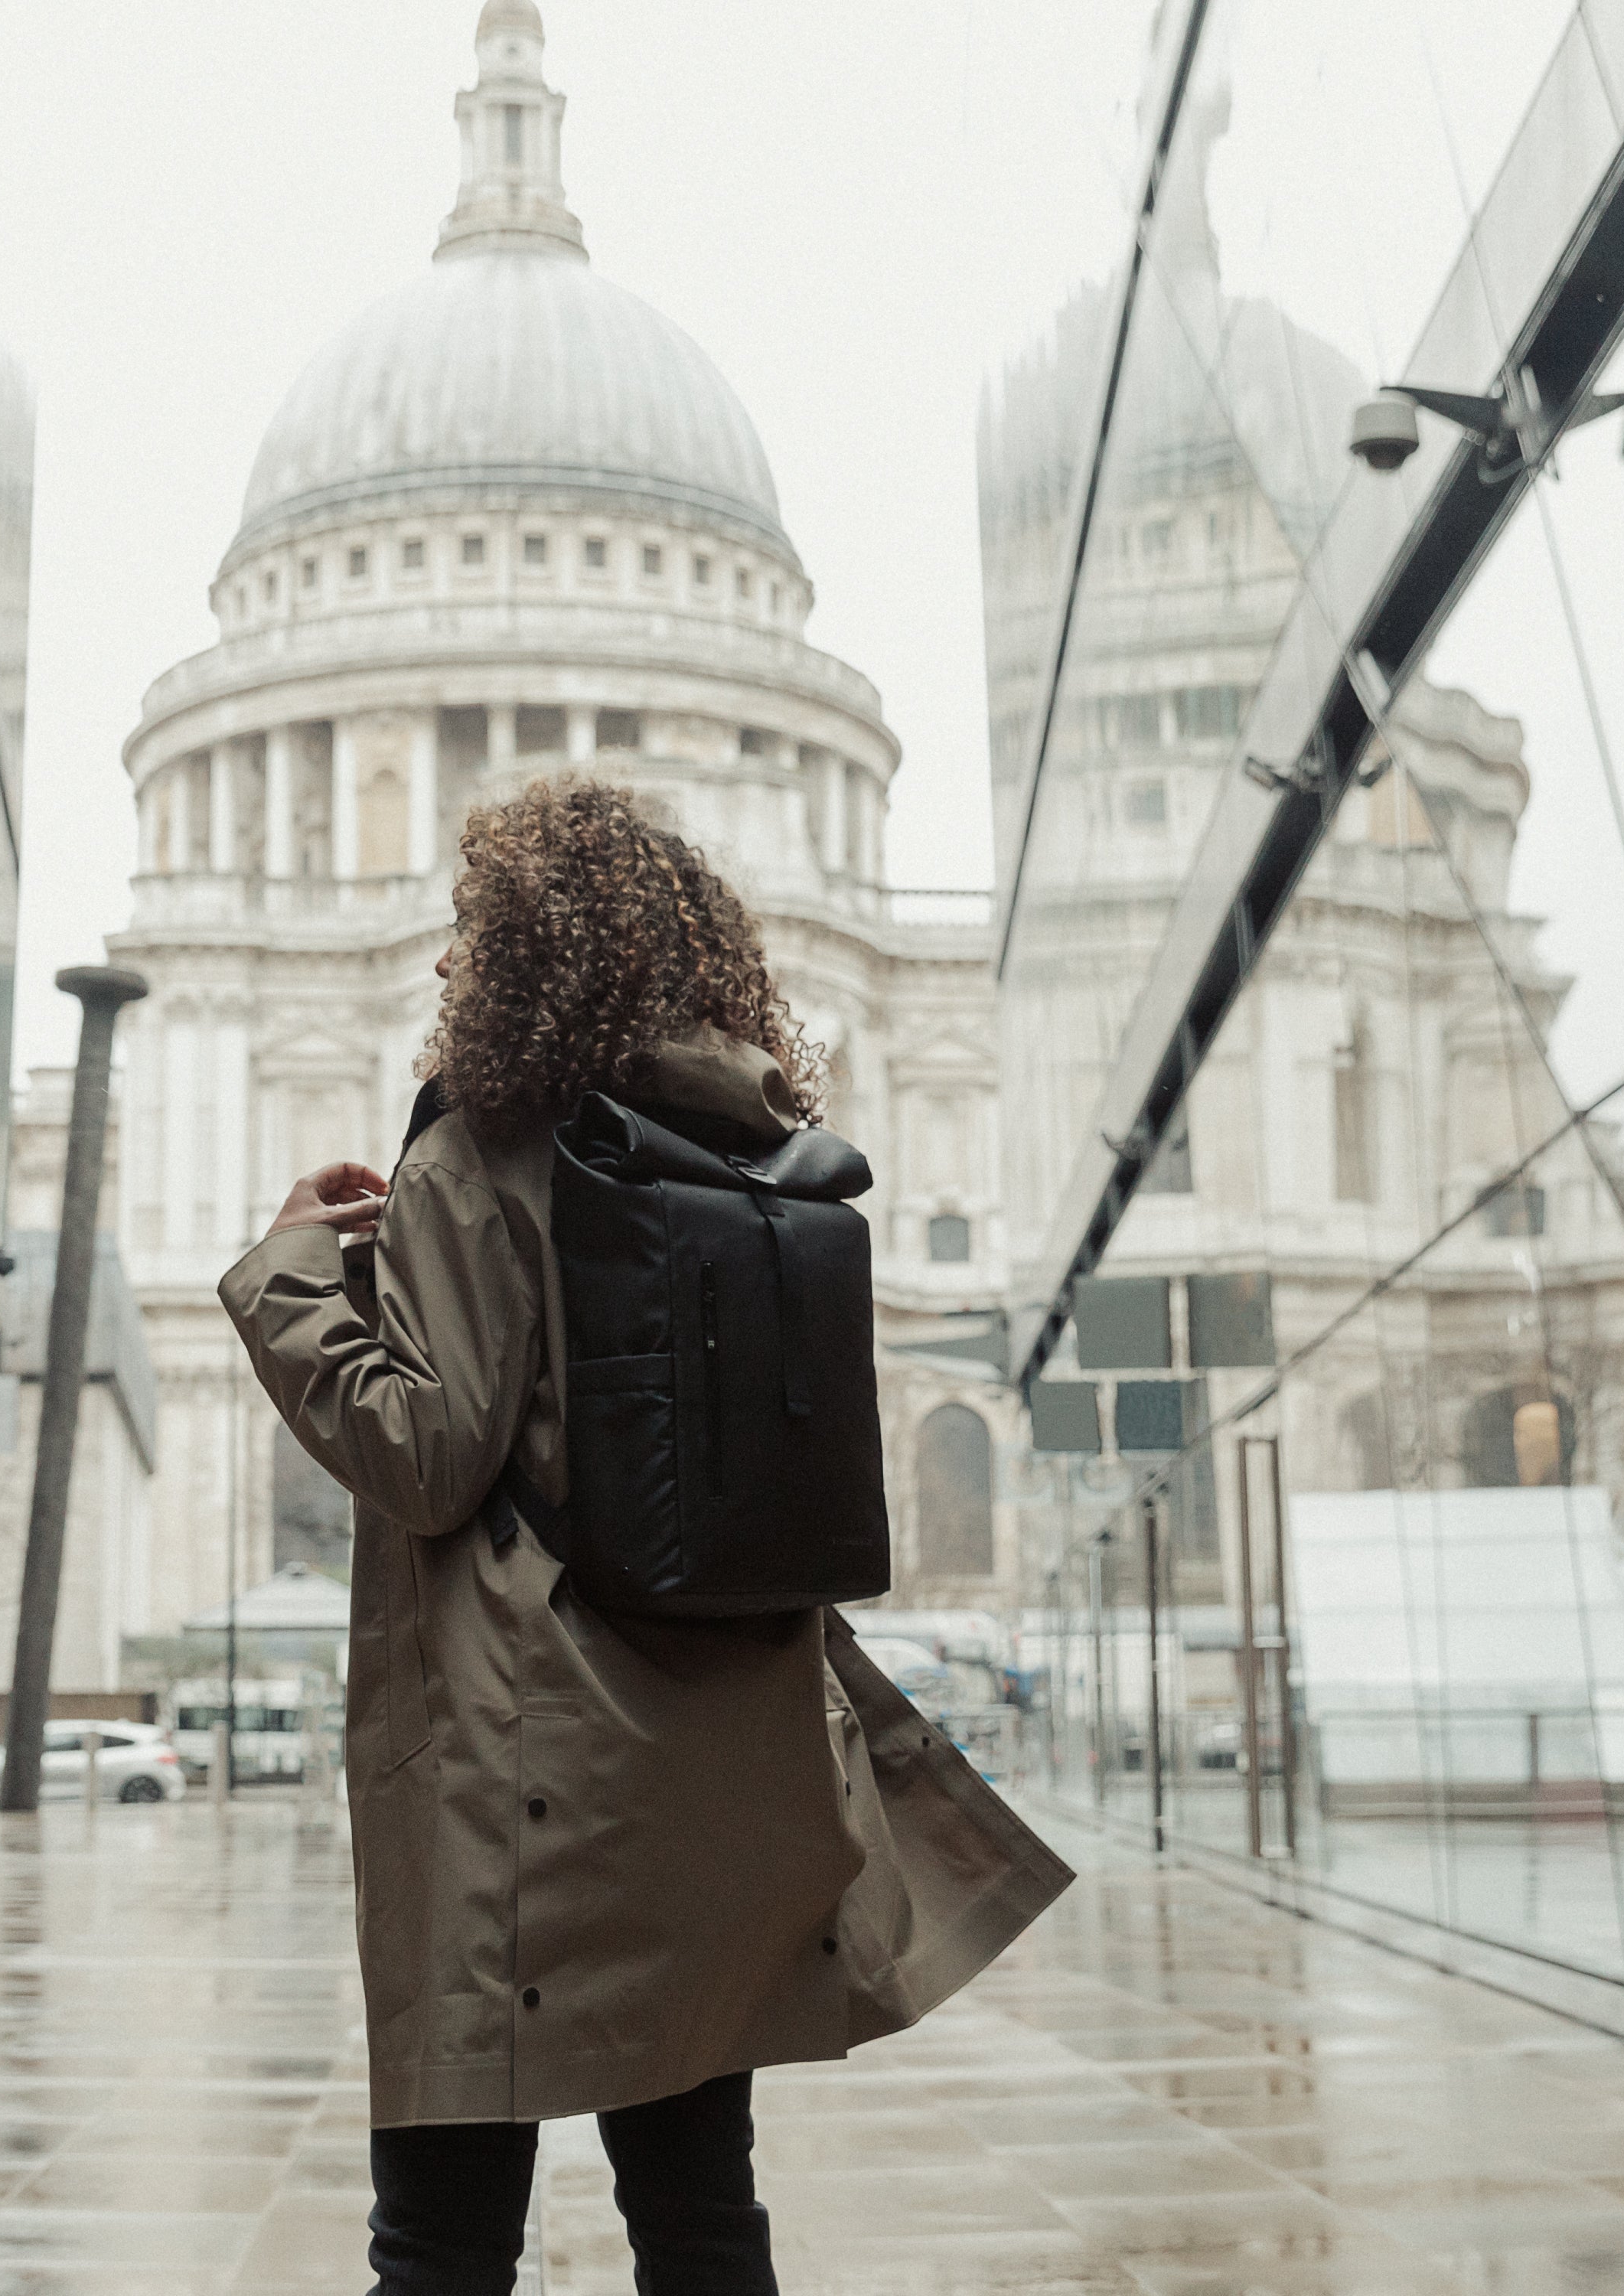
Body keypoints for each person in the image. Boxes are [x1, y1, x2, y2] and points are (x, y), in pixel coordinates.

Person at [220, 780, 1071, 2295]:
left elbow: (425, 1455)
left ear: (529, 954)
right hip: (721, 1765)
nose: (441, 966)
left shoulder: (484, 1152)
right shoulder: (759, 1153)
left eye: (474, 933)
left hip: (524, 1783)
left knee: (440, 2236)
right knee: (699, 2216)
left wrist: (293, 1278)